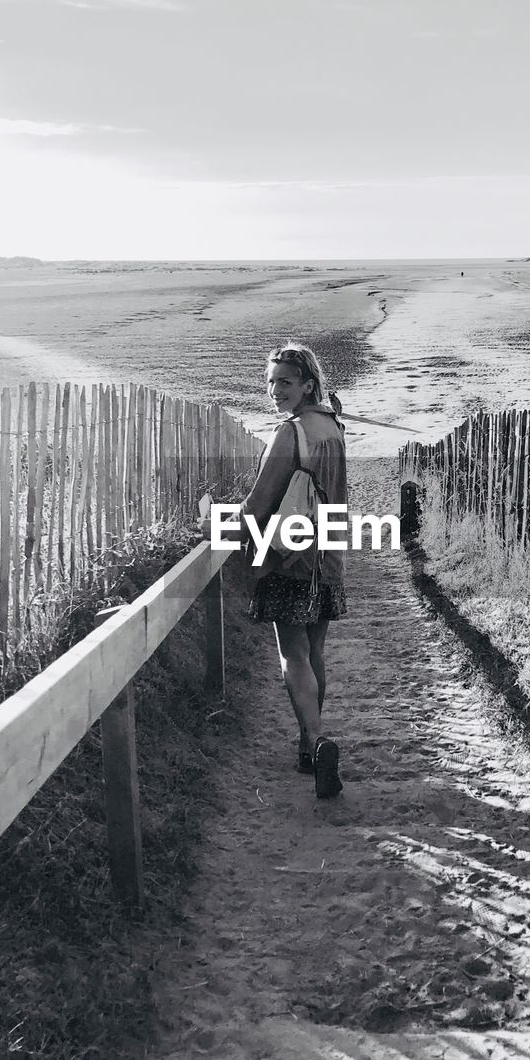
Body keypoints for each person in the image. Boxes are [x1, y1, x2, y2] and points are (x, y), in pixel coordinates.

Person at [238, 342, 348, 799]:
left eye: (285, 381)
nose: (275, 390)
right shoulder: (334, 429)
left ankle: (315, 739)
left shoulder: (291, 433)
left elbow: (260, 503)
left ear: (307, 384)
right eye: (270, 382)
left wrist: (220, 527)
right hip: (328, 557)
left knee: (293, 655)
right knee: (315, 652)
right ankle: (309, 745)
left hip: (289, 558)